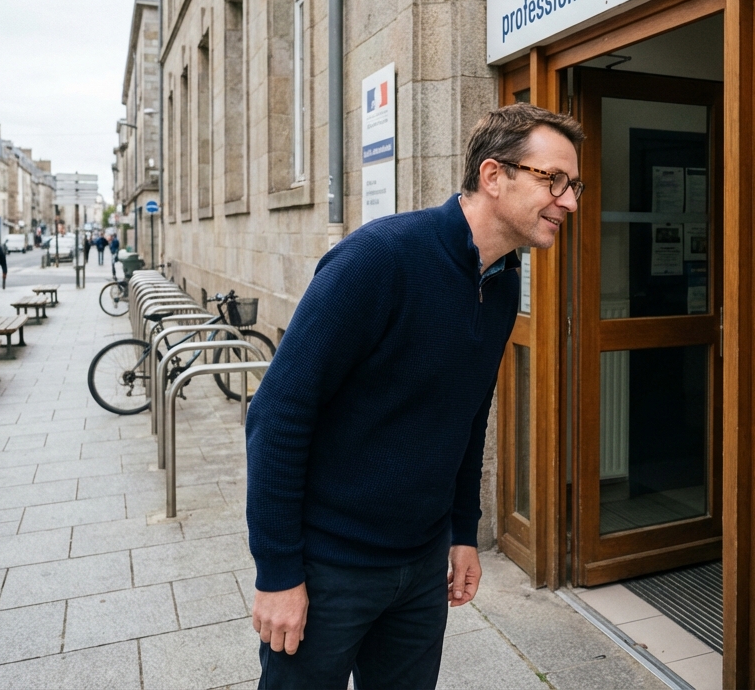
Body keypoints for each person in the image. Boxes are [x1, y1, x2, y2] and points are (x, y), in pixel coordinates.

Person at [246, 103, 584, 690]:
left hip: (421, 568)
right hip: (329, 567)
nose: (570, 202)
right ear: (493, 175)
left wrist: (462, 531)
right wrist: (277, 573)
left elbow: (468, 414)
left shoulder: (502, 282)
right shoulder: (380, 258)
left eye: (574, 185)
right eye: (553, 179)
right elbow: (277, 414)